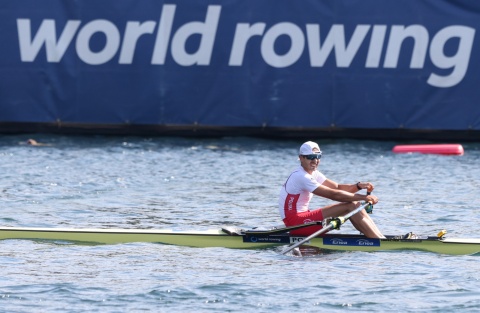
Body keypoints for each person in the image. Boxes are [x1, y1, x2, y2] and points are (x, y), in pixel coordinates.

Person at [278, 141, 386, 238]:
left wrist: (358, 186)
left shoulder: (313, 173)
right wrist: (365, 197)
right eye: (310, 157)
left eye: (318, 156)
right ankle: (379, 241)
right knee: (352, 205)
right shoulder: (301, 176)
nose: (315, 160)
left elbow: (337, 187)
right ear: (301, 158)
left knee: (354, 204)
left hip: (303, 219)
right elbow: (333, 195)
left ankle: (379, 237)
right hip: (296, 224)